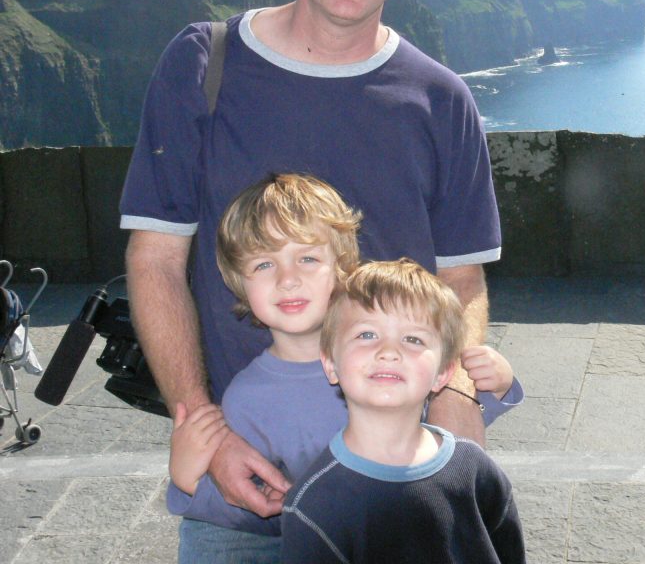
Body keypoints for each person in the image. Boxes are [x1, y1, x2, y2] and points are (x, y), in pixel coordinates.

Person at [119, 0, 501, 538]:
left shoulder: (441, 98)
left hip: (399, 490)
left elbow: (462, 280)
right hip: (241, 487)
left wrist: (455, 393)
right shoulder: (203, 66)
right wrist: (203, 428)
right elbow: (156, 258)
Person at [167, 174, 521, 562]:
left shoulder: (378, 357)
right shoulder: (247, 397)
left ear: (340, 266)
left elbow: (436, 430)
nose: (288, 279)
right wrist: (188, 479)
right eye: (265, 263)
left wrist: (492, 384)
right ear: (239, 280)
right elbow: (245, 499)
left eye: (307, 258)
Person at [281, 258, 526, 563]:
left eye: (413, 339)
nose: (388, 352)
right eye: (367, 335)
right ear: (331, 364)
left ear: (443, 373)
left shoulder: (476, 471)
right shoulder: (314, 506)